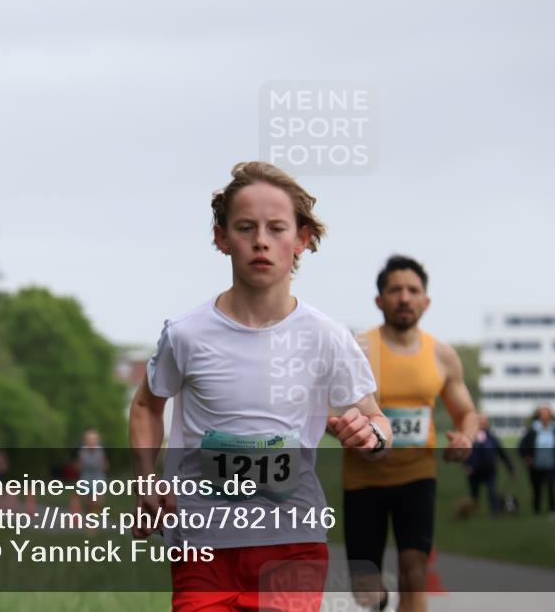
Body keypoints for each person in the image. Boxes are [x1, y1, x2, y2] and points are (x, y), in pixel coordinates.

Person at [128, 161, 392, 612]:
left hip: (292, 542)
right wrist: (145, 478)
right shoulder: (187, 333)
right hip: (202, 544)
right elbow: (146, 408)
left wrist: (372, 437)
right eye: (246, 227)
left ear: (302, 239)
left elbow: (376, 421)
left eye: (276, 228)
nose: (261, 241)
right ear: (221, 237)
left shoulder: (326, 336)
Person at [344, 255, 478, 612]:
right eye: (395, 290)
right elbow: (330, 412)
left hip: (417, 477)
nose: (404, 297)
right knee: (366, 591)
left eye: (413, 290)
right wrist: (352, 431)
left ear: (426, 301)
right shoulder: (357, 350)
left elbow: (466, 413)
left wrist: (465, 437)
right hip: (362, 481)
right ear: (379, 300)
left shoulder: (443, 355)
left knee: (414, 572)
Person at [459, 414, 515, 516]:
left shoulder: (492, 438)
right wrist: (466, 466)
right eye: (481, 421)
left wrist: (511, 469)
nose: (483, 424)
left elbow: (502, 454)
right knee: (474, 495)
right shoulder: (470, 438)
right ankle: (472, 514)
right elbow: (464, 453)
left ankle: (495, 513)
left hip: (490, 472)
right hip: (474, 472)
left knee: (492, 493)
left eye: (485, 421)